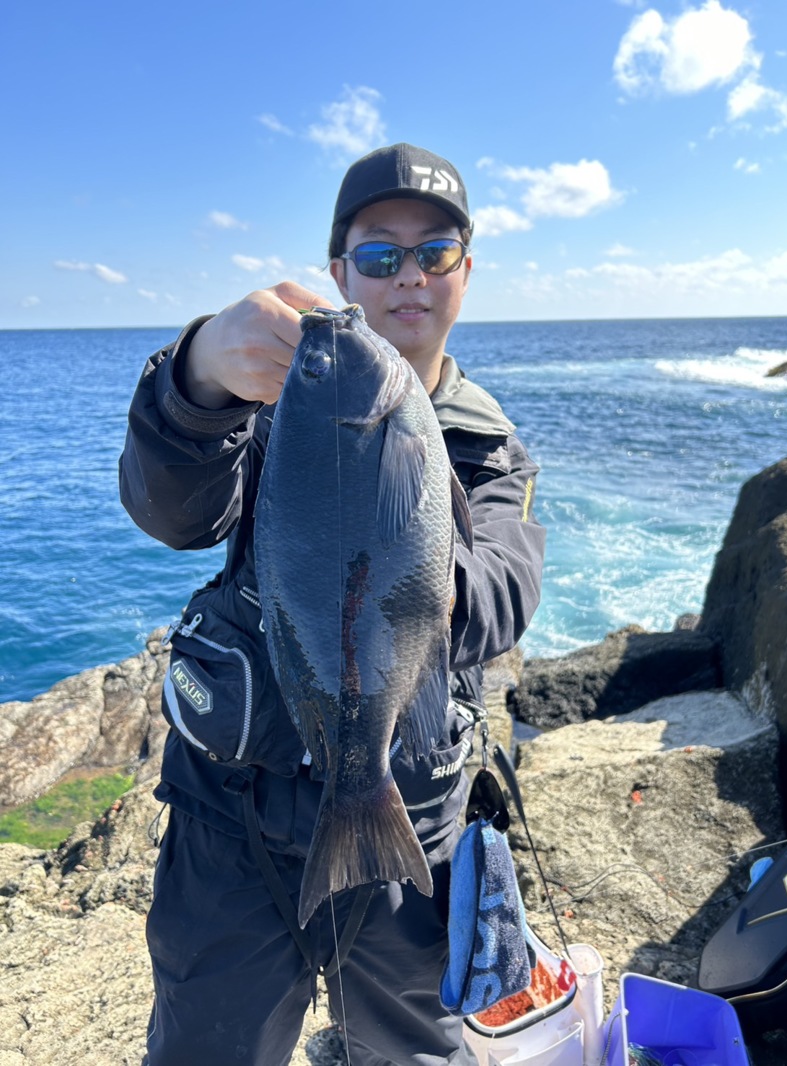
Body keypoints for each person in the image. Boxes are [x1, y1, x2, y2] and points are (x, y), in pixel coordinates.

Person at [120, 142, 546, 1066]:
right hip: (231, 820)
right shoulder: (268, 412)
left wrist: (409, 566)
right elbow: (173, 511)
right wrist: (195, 376)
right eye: (380, 255)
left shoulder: (488, 449)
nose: (408, 277)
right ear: (339, 272)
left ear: (465, 271)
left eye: (434, 252)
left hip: (409, 820)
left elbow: (505, 595)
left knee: (411, 1050)